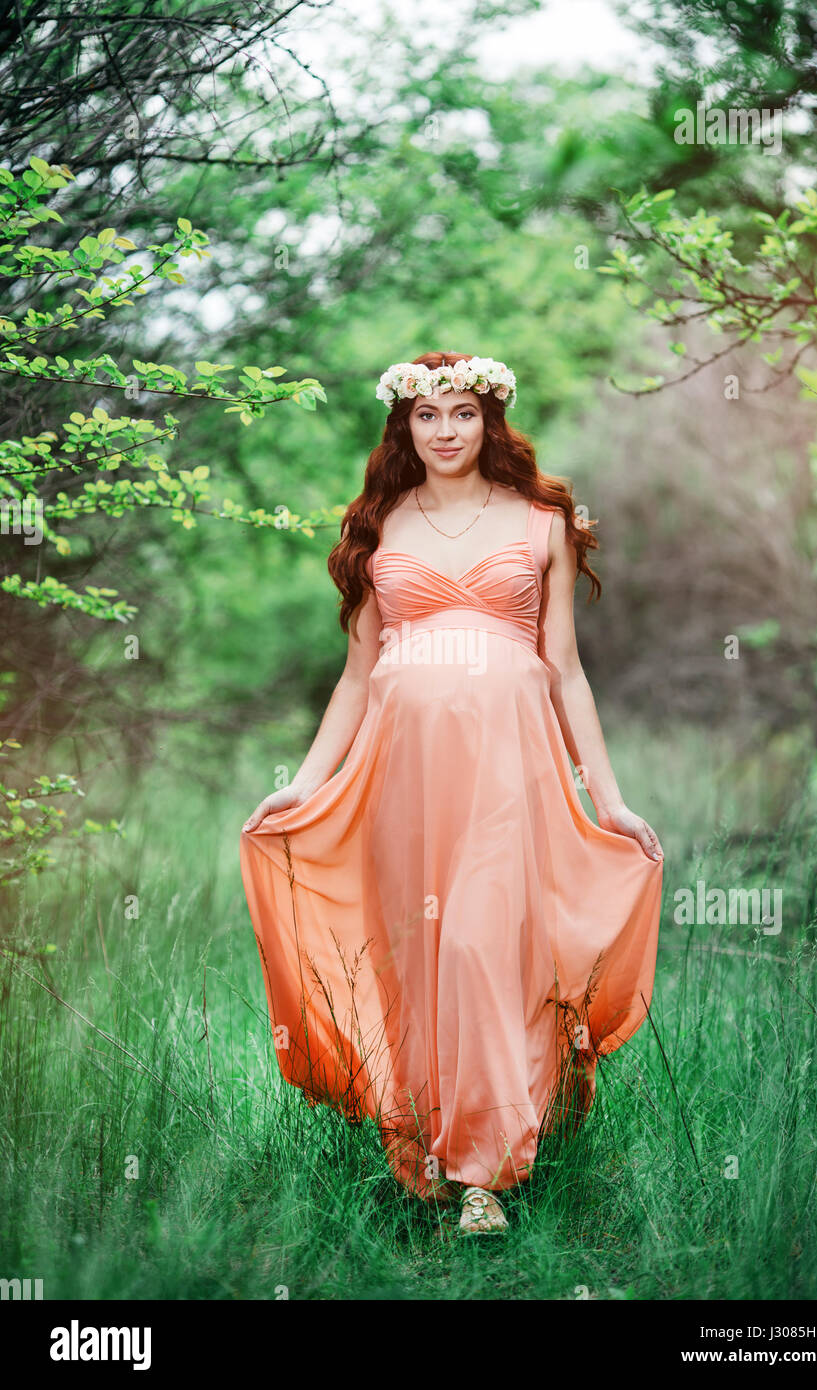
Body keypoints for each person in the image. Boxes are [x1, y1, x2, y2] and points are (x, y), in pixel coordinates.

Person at [240, 351, 664, 1236]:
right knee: (417, 958)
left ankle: (484, 1176)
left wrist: (610, 799)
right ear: (404, 425)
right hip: (404, 777)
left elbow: (566, 673)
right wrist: (303, 785)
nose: (445, 432)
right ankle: (431, 1144)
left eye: (463, 413)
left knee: (479, 944)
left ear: (490, 419)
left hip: (512, 772)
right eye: (427, 416)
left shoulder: (540, 517)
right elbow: (357, 678)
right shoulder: (380, 522)